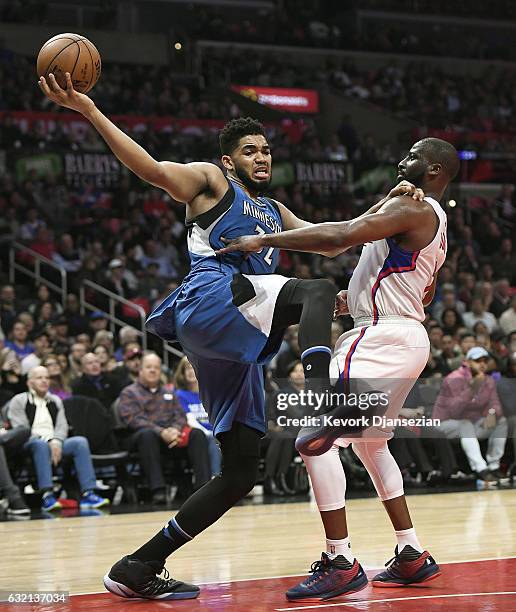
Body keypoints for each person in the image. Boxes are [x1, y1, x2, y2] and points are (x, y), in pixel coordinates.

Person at [39, 73, 343, 599]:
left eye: (267, 151)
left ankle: (138, 566)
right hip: (211, 299)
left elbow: (336, 240)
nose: (262, 158)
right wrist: (89, 111)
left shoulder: (274, 214)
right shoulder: (212, 182)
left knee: (242, 469)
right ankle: (322, 406)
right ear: (229, 160)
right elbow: (153, 170)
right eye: (250, 151)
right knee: (316, 293)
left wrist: (396, 205)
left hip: (231, 341)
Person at [220, 137, 459, 599]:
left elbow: (337, 238)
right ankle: (411, 554)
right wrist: (348, 301)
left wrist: (263, 237)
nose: (399, 160)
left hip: (380, 337)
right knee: (372, 447)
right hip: (400, 334)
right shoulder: (420, 215)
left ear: (433, 171)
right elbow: (403, 286)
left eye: (411, 157)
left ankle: (340, 560)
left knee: (315, 438)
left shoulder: (415, 210)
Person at [6, 366, 109, 511]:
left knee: (80, 442)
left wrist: (57, 441)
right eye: (39, 378)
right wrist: (47, 441)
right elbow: (21, 430)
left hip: (55, 442)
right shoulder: (19, 400)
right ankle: (47, 494)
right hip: (30, 443)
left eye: (46, 378)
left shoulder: (55, 400)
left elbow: (62, 426)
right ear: (29, 382)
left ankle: (88, 492)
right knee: (40, 445)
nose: (44, 381)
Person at [118, 354, 211, 503]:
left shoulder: (168, 392)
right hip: (140, 438)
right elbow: (134, 420)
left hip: (171, 436)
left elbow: (180, 416)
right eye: (149, 367)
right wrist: (161, 432)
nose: (153, 371)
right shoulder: (129, 393)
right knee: (147, 435)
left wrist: (174, 430)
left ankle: (203, 487)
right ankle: (158, 490)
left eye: (156, 368)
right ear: (140, 370)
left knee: (197, 434)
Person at [433, 347, 508, 486]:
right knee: (464, 423)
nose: (482, 364)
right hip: (445, 423)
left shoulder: (488, 380)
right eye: (477, 360)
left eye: (485, 360)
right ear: (467, 362)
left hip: (472, 425)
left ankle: (494, 466)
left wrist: (491, 414)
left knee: (501, 421)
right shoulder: (454, 379)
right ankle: (481, 469)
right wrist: (473, 389)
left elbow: (495, 404)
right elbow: (454, 411)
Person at [173, 356, 222, 477]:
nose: (191, 371)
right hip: (197, 434)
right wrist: (207, 432)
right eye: (187, 368)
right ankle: (214, 478)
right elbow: (189, 420)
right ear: (183, 374)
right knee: (212, 438)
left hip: (216, 431)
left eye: (194, 367)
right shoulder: (180, 395)